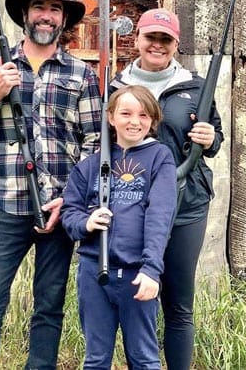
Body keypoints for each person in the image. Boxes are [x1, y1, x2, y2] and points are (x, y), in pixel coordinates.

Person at [0, 0, 103, 369]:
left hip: (58, 210)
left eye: (54, 9)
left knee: (49, 308)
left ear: (63, 19)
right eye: (39, 7)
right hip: (6, 205)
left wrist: (69, 199)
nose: (46, 16)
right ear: (25, 13)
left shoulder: (81, 74)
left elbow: (94, 145)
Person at [109, 8, 223, 369]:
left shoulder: (196, 85)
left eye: (165, 39)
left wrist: (210, 137)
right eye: (151, 37)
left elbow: (215, 138)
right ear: (137, 39)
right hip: (132, 206)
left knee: (178, 304)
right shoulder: (116, 85)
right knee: (137, 298)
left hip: (186, 205)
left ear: (176, 44)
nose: (157, 45)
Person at [62, 85, 177, 369]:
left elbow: (160, 215)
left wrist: (151, 270)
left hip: (137, 275)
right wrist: (86, 223)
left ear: (152, 121)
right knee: (96, 358)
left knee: (143, 357)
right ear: (111, 117)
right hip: (93, 273)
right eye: (125, 113)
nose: (134, 121)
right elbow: (69, 212)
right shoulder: (90, 166)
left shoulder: (159, 157)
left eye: (143, 115)